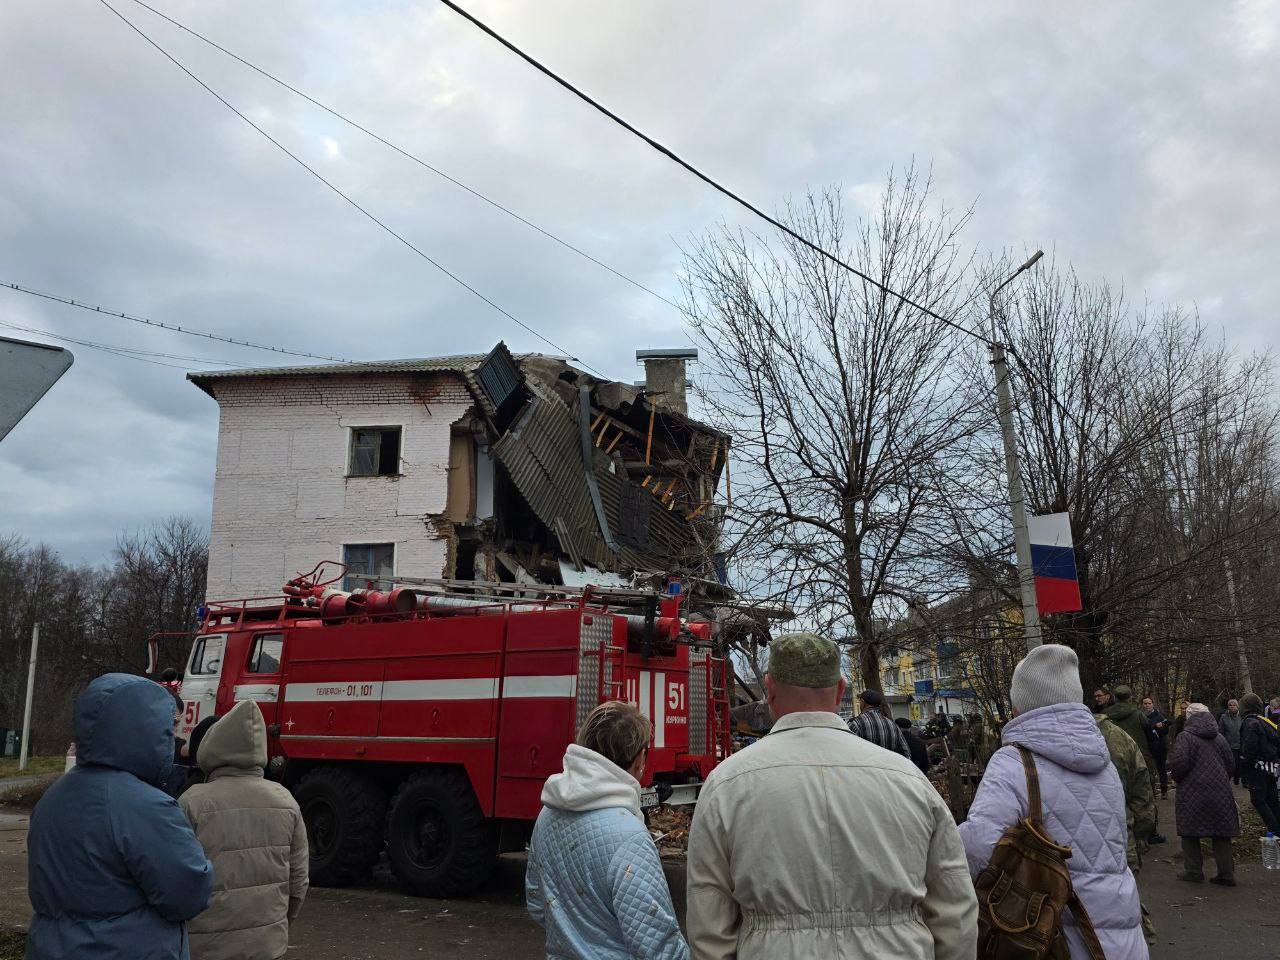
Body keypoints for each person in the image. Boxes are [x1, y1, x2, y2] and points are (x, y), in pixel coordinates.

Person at [686, 633, 975, 959]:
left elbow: (709, 923)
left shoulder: (727, 784)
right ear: (840, 689)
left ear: (770, 688)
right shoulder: (909, 780)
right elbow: (955, 908)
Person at [959, 645, 1147, 960]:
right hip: (1121, 932)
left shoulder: (1012, 761)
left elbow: (978, 848)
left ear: (1020, 704)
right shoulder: (1103, 762)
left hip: (1050, 935)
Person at [26, 673, 213, 960]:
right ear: (147, 730)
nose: (173, 735)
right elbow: (188, 895)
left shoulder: (54, 797)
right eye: (170, 726)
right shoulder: (146, 806)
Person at [526, 700, 687, 960]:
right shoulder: (630, 838)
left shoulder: (547, 816)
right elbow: (658, 947)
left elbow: (536, 903)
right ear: (639, 759)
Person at [180, 700, 309, 960]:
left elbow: (176, 878)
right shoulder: (286, 801)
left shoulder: (192, 802)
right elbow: (298, 881)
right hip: (267, 946)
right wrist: (278, 926)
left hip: (204, 947)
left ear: (211, 747)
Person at [1094, 710, 1156, 946]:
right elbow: (1142, 789)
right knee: (1126, 896)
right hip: (1123, 833)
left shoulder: (1049, 739)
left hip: (1070, 846)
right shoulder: (1120, 738)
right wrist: (1141, 832)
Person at [1169, 703, 1239, 886]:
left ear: (1189, 717)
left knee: (1189, 832)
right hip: (1220, 791)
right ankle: (1226, 874)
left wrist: (1178, 779)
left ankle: (1193, 871)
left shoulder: (1185, 737)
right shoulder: (1220, 737)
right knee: (1221, 832)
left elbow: (1179, 765)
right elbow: (1231, 765)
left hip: (1192, 791)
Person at [1105, 685, 1165, 843]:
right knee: (1145, 796)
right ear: (1130, 697)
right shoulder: (1139, 715)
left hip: (1112, 761)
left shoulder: (1105, 716)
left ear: (1115, 697)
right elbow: (1152, 738)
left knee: (1117, 796)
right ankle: (1149, 834)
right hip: (1140, 759)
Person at [1238, 693, 1280, 835]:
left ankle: (1276, 832)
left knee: (1258, 800)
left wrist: (1244, 763)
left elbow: (1249, 747)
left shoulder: (1250, 723)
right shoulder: (1265, 721)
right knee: (1272, 800)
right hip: (1271, 767)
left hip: (1258, 769)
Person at [848, 688, 910, 758]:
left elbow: (847, 752)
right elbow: (906, 753)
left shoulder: (856, 724)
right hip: (889, 767)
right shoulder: (893, 725)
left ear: (862, 702)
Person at [1141, 696, 1170, 797]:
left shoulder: (1160, 715)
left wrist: (1161, 727)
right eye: (1145, 703)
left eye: (1149, 703)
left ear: (1153, 704)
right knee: (1148, 770)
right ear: (1142, 705)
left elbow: (1167, 729)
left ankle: (1164, 790)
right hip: (1146, 746)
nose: (1147, 705)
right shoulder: (1140, 716)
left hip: (1159, 746)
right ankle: (1152, 791)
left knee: (1161, 768)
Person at [1218, 698, 1244, 787]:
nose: (1232, 707)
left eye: (1234, 705)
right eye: (1230, 705)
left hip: (1241, 744)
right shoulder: (1223, 717)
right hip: (1229, 744)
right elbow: (1221, 731)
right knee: (1231, 764)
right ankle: (1227, 781)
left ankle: (1241, 780)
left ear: (1237, 706)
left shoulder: (1242, 716)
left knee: (1241, 763)